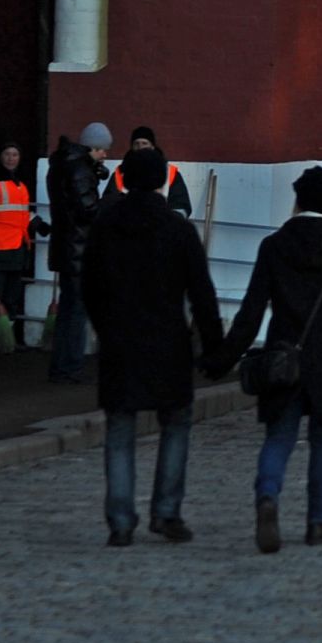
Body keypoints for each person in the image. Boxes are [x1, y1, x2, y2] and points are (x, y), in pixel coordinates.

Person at [202, 166, 322, 553]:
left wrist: (221, 359)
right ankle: (318, 523)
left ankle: (267, 496)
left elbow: (251, 311)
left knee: (279, 437)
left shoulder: (274, 245)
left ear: (298, 200)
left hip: (284, 357)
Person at [81, 147, 225, 546]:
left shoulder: (107, 224)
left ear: (124, 178)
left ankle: (121, 520)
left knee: (121, 430)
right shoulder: (177, 229)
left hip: (120, 341)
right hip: (168, 342)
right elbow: (201, 292)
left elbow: (89, 285)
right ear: (163, 180)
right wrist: (214, 347)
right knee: (176, 427)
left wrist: (104, 328)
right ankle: (166, 512)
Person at [46, 122, 112, 384]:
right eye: (103, 150)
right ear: (93, 148)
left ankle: (61, 366)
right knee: (77, 312)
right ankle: (71, 366)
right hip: (79, 250)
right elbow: (88, 210)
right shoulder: (80, 171)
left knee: (68, 310)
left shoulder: (62, 165)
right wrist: (110, 204)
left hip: (65, 247)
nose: (105, 155)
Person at [0, 139, 48, 350]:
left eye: (15, 154)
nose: (11, 159)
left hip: (15, 248)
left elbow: (20, 212)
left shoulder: (19, 183)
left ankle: (7, 339)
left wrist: (38, 224)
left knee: (11, 298)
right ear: (0, 156)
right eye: (7, 154)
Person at [102, 126, 191, 216]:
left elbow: (181, 206)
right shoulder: (120, 173)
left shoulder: (171, 174)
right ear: (132, 147)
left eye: (144, 143)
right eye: (136, 143)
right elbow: (108, 203)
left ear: (152, 147)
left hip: (161, 226)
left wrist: (168, 222)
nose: (140, 147)